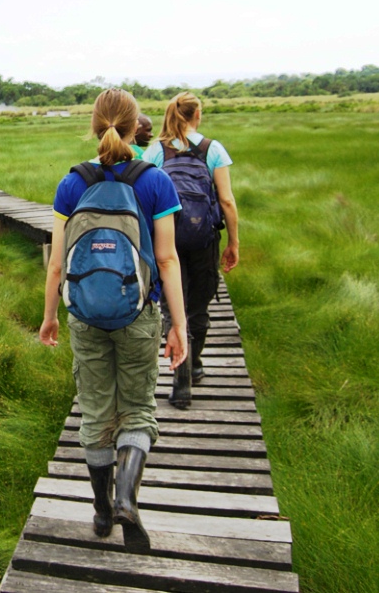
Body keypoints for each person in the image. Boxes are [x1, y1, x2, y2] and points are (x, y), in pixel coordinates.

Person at [40, 88, 188, 551]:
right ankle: (127, 496)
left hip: (84, 314)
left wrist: (50, 317)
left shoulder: (72, 182)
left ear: (94, 125)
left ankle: (102, 510)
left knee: (96, 411)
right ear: (134, 124)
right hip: (140, 313)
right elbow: (167, 261)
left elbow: (57, 265)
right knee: (138, 409)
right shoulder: (155, 180)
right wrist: (178, 326)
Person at [143, 92, 239, 408]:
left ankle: (180, 381)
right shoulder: (213, 149)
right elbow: (226, 201)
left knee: (173, 307)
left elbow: (144, 198)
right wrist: (233, 242)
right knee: (198, 304)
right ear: (196, 115)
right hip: (204, 240)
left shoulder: (156, 150)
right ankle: (194, 364)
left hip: (165, 240)